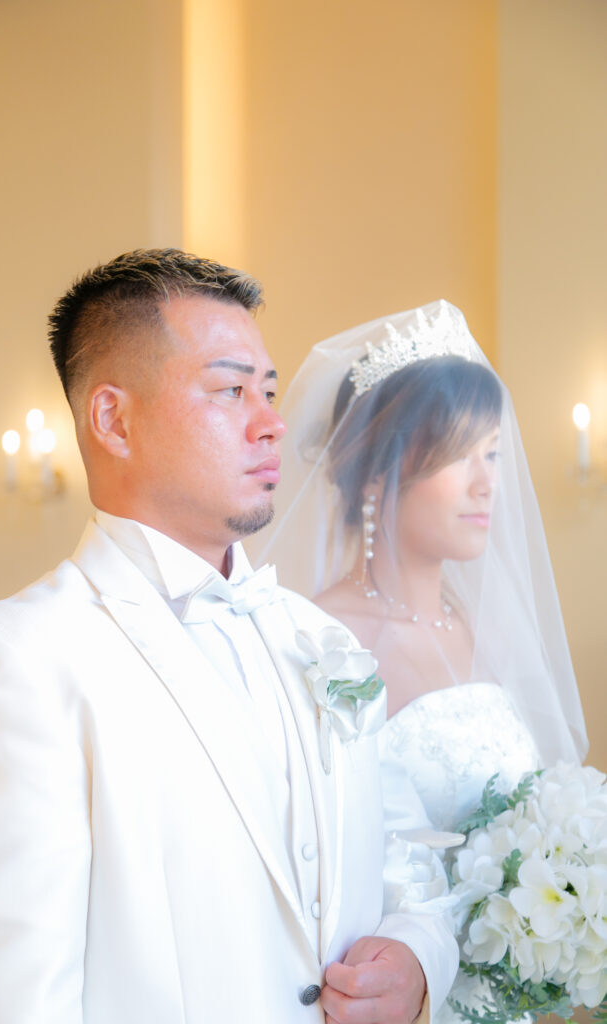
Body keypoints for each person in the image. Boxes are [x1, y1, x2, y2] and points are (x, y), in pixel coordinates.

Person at [0, 251, 458, 1024]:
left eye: (267, 391)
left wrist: (415, 962)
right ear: (113, 420)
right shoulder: (14, 663)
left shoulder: (318, 638)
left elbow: (407, 861)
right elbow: (3, 1004)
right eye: (230, 390)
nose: (271, 422)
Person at [250, 300, 589, 1020]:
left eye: (493, 454)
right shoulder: (319, 642)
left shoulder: (484, 628)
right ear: (378, 471)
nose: (486, 483)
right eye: (460, 454)